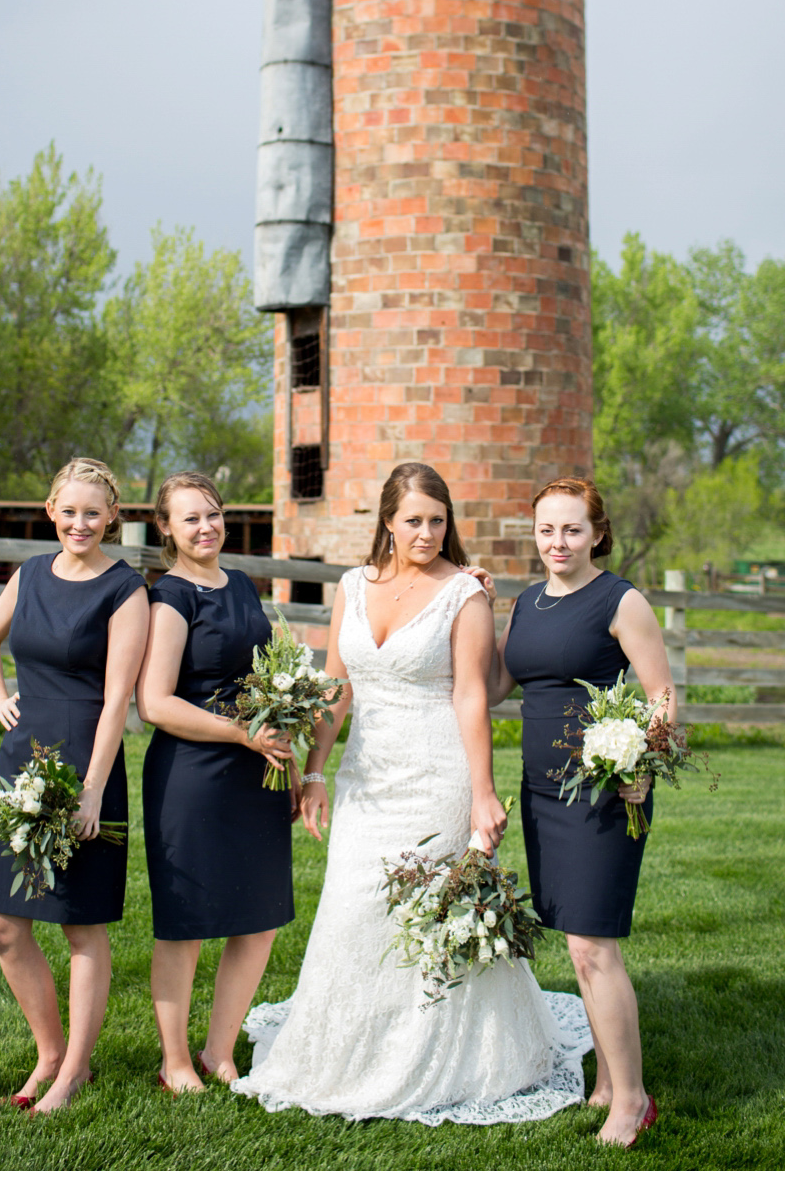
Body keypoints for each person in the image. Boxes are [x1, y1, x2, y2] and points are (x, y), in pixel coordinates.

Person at [232, 462, 589, 1126]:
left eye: (437, 520)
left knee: (426, 916)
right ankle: (350, 1050)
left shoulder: (465, 595)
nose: (426, 533)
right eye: (413, 521)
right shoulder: (351, 587)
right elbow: (336, 690)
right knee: (352, 909)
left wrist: (482, 793)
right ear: (387, 523)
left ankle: (442, 1055)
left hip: (438, 775)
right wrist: (313, 771)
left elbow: (472, 694)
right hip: (366, 777)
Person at [485, 477, 670, 1147]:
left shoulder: (622, 601)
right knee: (576, 942)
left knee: (594, 947)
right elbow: (499, 685)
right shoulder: (528, 604)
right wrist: (474, 612)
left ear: (596, 533)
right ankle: (606, 1082)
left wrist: (641, 767)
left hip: (601, 796)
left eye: (570, 530)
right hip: (541, 795)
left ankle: (633, 1100)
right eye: (546, 530)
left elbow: (662, 696)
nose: (557, 543)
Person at [0, 458, 147, 1116]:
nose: (80, 523)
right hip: (20, 756)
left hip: (84, 758)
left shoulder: (125, 590)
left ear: (112, 519)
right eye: (69, 511)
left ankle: (73, 1071)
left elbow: (117, 699)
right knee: (1, 926)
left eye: (93, 513)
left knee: (79, 924)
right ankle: (48, 1049)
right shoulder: (30, 575)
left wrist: (95, 788)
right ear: (51, 510)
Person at [136, 472, 294, 1094]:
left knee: (258, 919)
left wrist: (285, 741)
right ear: (166, 529)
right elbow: (154, 702)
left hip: (256, 770)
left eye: (213, 514)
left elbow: (269, 676)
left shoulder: (244, 587)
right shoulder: (171, 596)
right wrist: (239, 734)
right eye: (190, 518)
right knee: (188, 921)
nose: (206, 527)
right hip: (193, 774)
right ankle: (173, 1060)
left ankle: (218, 1051)